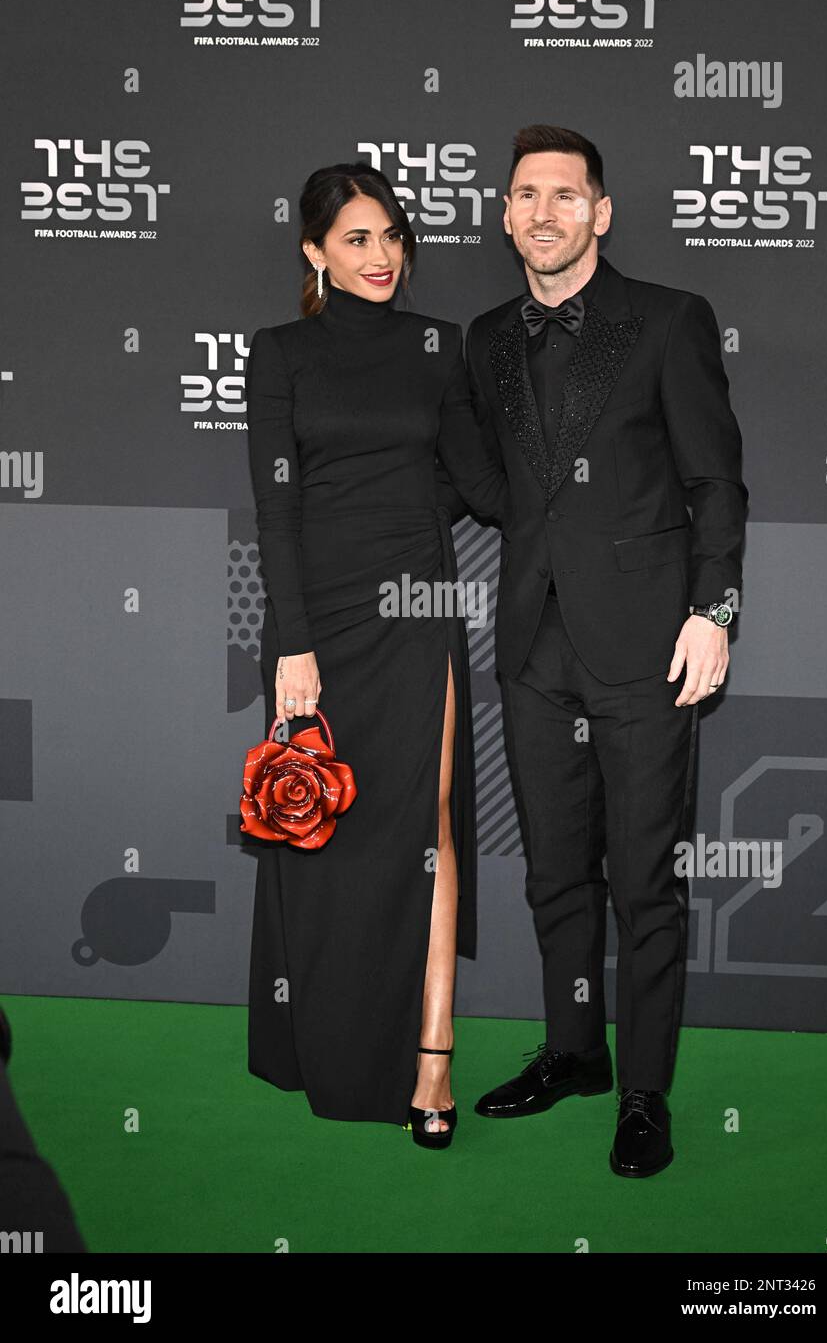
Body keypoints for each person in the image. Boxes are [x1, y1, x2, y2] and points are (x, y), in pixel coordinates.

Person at [467, 124, 748, 1176]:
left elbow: (715, 481)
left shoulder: (668, 322)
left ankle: (643, 1093)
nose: (544, 211)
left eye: (565, 195)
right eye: (526, 194)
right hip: (533, 647)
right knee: (552, 874)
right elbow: (492, 478)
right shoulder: (486, 338)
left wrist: (711, 610)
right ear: (503, 214)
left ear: (601, 212)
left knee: (643, 880)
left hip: (646, 646)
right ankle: (575, 1051)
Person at [243, 162, 508, 1148]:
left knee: (425, 826)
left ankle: (430, 1058)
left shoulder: (437, 346)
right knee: (326, 840)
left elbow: (476, 481)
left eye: (391, 235)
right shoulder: (280, 353)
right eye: (355, 239)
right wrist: (290, 644)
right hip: (323, 618)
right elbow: (277, 506)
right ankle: (326, 1039)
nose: (380, 256)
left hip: (415, 610)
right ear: (314, 252)